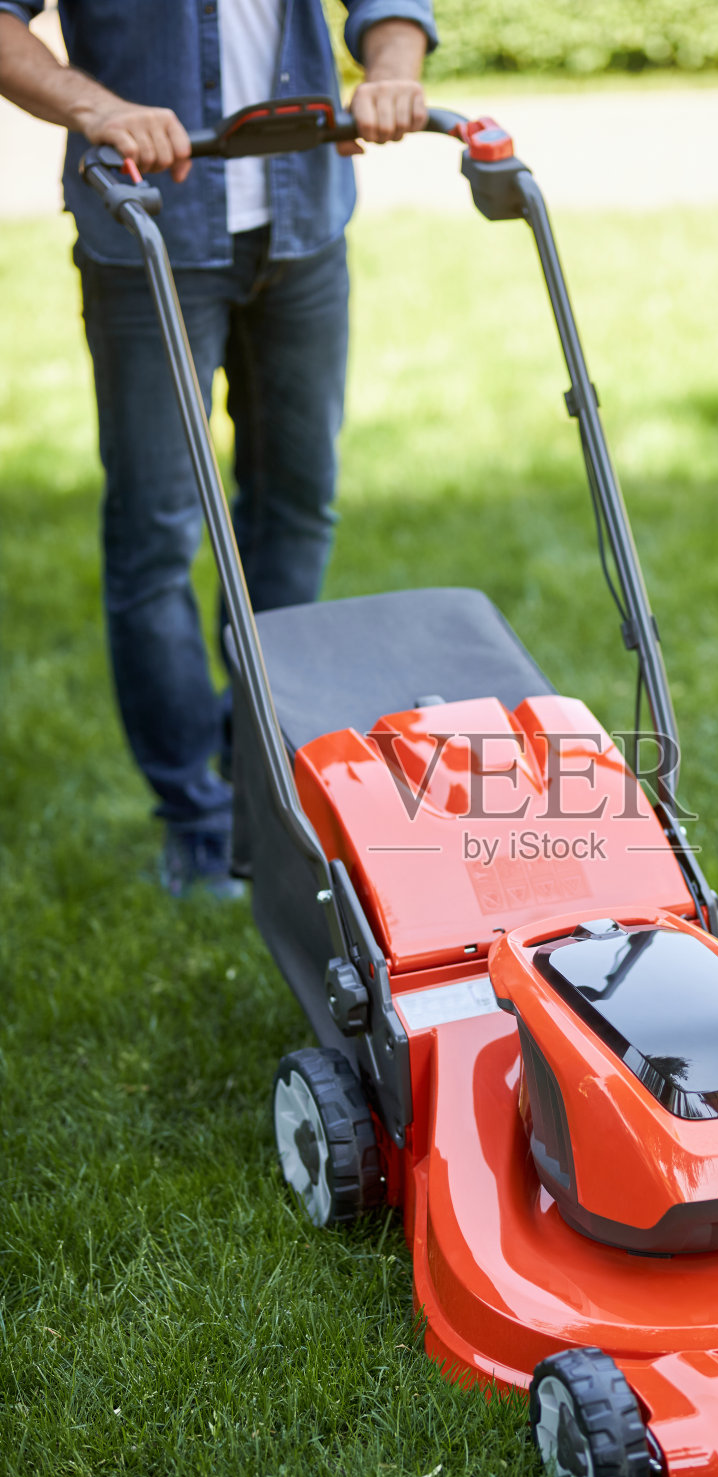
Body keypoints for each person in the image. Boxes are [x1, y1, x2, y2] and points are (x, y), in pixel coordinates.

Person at [0, 0, 436, 894]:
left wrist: (394, 69)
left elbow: (393, 6)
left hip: (303, 224)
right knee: (158, 531)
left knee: (297, 503)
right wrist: (97, 109)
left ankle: (264, 777)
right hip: (149, 229)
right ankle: (194, 817)